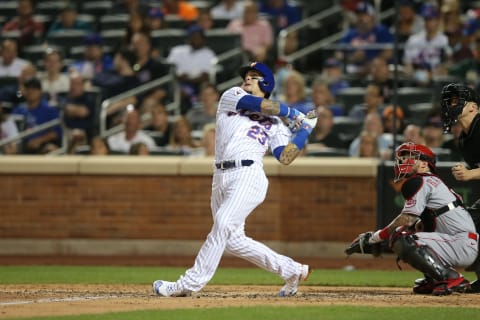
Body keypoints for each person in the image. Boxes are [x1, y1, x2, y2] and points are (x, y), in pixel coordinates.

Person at [152, 61, 316, 297]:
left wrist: (304, 131)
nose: (247, 78)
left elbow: (285, 157)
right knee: (233, 240)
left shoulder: (277, 125)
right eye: (246, 75)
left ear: (266, 82)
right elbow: (258, 104)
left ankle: (187, 284)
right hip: (220, 176)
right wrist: (293, 112)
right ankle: (292, 270)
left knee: (223, 224)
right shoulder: (233, 95)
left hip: (248, 175)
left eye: (254, 76)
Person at [357, 142, 477, 295]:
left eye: (410, 158)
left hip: (461, 243)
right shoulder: (431, 181)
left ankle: (452, 278)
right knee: (405, 234)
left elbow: (407, 219)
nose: (403, 161)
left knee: (403, 238)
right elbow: (418, 225)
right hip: (460, 242)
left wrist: (376, 237)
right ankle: (434, 278)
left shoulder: (421, 180)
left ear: (423, 165)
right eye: (403, 157)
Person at [440, 83, 480, 292]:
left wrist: (471, 173)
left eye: (456, 101)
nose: (451, 105)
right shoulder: (464, 139)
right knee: (468, 226)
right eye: (450, 101)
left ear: (473, 107)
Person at [166, 25, 216, 114]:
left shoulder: (208, 53)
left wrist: (187, 78)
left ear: (203, 38)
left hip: (198, 85)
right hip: (179, 83)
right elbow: (168, 68)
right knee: (177, 89)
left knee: (202, 88)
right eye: (194, 36)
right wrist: (180, 77)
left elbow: (205, 76)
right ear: (189, 38)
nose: (196, 39)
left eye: (198, 37)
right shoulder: (178, 50)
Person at [337, 1, 394, 77]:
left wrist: (371, 63)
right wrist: (352, 58)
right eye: (358, 15)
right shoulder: (350, 33)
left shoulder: (381, 31)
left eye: (364, 15)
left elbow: (389, 52)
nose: (361, 18)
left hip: (376, 70)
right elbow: (338, 54)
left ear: (372, 16)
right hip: (354, 70)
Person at [403, 3, 452, 87]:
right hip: (416, 80)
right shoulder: (413, 39)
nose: (427, 22)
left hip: (437, 80)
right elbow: (408, 65)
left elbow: (449, 63)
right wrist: (417, 75)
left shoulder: (444, 40)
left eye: (430, 19)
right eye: (426, 19)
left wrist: (431, 75)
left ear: (437, 20)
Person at [11, 77, 62, 154]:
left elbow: (57, 132)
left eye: (34, 88)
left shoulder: (49, 109)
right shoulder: (18, 109)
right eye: (28, 88)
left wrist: (40, 140)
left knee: (50, 148)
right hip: (20, 145)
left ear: (40, 91)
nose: (30, 91)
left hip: (42, 145)